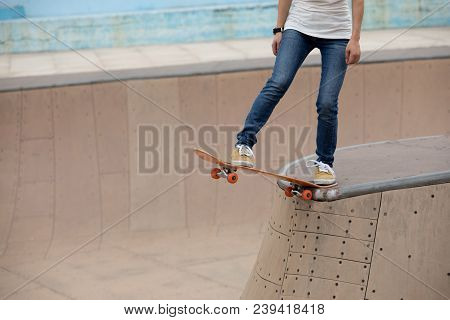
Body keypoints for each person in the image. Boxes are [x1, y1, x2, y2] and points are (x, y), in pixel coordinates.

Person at [231, 0, 363, 185]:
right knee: (279, 81)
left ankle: (324, 162)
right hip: (299, 28)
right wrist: (279, 30)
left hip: (337, 33)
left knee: (327, 102)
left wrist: (355, 39)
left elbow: (358, 2)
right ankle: (244, 143)